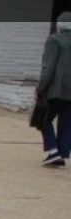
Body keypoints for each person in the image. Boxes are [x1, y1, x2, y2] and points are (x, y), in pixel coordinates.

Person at [38, 11, 71, 168]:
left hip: (56, 90)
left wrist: (41, 88)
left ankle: (53, 152)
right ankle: (61, 154)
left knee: (42, 119)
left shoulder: (54, 41)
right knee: (66, 123)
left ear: (59, 26)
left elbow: (48, 68)